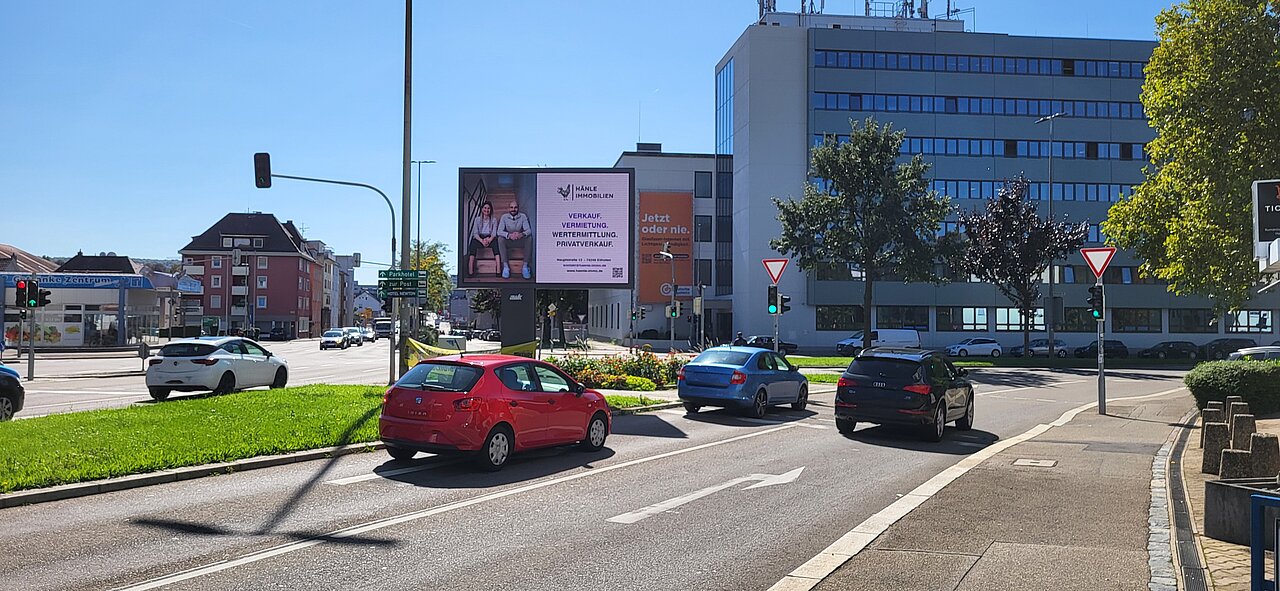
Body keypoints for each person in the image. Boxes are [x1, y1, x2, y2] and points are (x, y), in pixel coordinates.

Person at [496, 199, 533, 279]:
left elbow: (529, 230)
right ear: (508, 208)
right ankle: (506, 267)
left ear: (518, 208)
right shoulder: (504, 217)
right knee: (500, 239)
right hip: (509, 240)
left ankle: (525, 267)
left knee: (529, 238)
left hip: (519, 240)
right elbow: (499, 231)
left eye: (515, 207)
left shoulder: (523, 216)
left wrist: (521, 234)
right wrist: (509, 235)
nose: (513, 209)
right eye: (511, 207)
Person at [467, 201, 498, 277]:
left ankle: (498, 270)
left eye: (488, 208)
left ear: (491, 210)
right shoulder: (477, 219)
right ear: (482, 209)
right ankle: (470, 270)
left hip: (489, 237)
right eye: (485, 208)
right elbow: (475, 233)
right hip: (480, 238)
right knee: (473, 242)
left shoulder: (494, 220)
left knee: (496, 242)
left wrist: (489, 239)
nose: (486, 210)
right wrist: (482, 241)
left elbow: (494, 233)